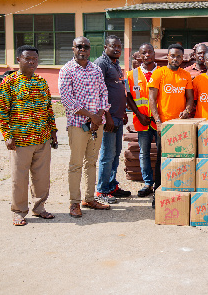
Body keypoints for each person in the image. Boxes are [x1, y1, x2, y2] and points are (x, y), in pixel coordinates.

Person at [0, 45, 57, 226]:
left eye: (35, 59)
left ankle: (39, 208)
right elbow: (2, 111)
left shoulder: (41, 82)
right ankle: (19, 211)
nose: (32, 62)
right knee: (19, 178)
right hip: (20, 141)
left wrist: (53, 131)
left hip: (42, 138)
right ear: (18, 60)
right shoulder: (9, 82)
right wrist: (7, 135)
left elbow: (48, 109)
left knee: (42, 177)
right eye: (27, 59)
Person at [59, 37, 111, 217]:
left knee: (92, 162)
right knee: (76, 164)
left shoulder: (95, 69)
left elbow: (104, 92)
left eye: (86, 47)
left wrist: (100, 116)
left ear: (90, 50)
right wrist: (91, 116)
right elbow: (67, 100)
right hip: (77, 125)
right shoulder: (67, 70)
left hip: (97, 125)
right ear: (73, 48)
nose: (83, 49)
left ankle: (89, 198)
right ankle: (74, 203)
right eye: (79, 46)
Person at [148, 43, 194, 202]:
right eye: (173, 55)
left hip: (181, 126)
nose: (176, 59)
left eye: (179, 56)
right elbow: (152, 99)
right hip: (164, 126)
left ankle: (177, 193)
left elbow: (189, 99)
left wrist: (187, 111)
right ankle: (157, 194)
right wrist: (158, 122)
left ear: (183, 58)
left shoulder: (186, 75)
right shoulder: (159, 73)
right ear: (167, 56)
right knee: (161, 160)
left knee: (180, 160)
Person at [94, 35, 131, 204]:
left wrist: (122, 112)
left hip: (117, 116)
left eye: (119, 46)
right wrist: (106, 115)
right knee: (107, 155)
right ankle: (101, 190)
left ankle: (111, 185)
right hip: (108, 118)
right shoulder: (101, 63)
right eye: (113, 46)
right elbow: (97, 91)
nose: (117, 49)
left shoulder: (115, 64)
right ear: (105, 47)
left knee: (115, 154)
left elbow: (118, 89)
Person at [125, 43, 159, 197]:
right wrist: (139, 115)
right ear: (139, 56)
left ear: (154, 53)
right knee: (144, 153)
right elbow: (128, 97)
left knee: (162, 152)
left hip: (159, 121)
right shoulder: (131, 75)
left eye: (149, 52)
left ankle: (161, 182)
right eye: (143, 53)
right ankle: (148, 183)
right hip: (142, 120)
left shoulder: (162, 72)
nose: (147, 55)